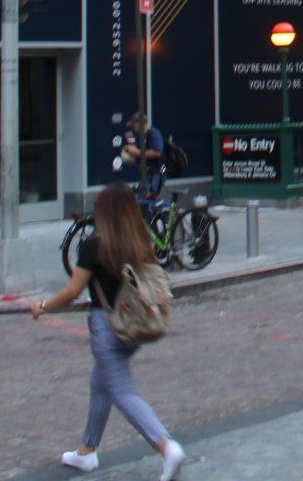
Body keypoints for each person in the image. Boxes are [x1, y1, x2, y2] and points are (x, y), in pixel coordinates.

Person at [30, 184, 186, 479]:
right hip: (134, 325)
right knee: (100, 383)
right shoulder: (140, 241)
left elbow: (73, 291)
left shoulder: (94, 245)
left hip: (107, 327)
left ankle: (166, 447)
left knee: (121, 390)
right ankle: (86, 452)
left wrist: (43, 306)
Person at [116, 113, 166, 204]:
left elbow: (157, 152)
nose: (133, 128)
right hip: (147, 175)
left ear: (140, 124)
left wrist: (138, 152)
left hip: (154, 175)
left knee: (146, 202)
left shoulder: (153, 134)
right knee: (142, 200)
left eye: (134, 125)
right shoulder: (143, 136)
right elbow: (142, 156)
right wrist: (130, 156)